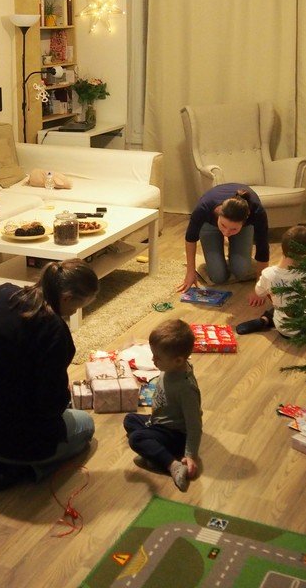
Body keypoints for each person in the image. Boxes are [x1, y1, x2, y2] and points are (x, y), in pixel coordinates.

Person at [0, 260, 98, 495]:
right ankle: (22, 466)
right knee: (86, 425)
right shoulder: (55, 330)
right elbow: (49, 404)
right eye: (77, 307)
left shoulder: (1, 293)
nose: (75, 312)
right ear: (66, 297)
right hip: (20, 439)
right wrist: (63, 396)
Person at [123, 319, 202, 492]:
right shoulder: (171, 368)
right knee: (130, 419)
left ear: (178, 360)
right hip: (158, 421)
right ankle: (156, 451)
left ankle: (172, 465)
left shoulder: (186, 388)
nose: (153, 359)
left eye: (157, 357)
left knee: (136, 439)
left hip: (176, 434)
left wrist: (190, 455)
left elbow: (194, 426)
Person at [176, 183, 270, 292]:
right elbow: (190, 239)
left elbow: (263, 248)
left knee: (242, 271)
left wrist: (260, 287)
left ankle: (237, 258)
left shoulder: (257, 212)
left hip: (243, 227)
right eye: (223, 225)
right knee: (218, 277)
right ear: (219, 213)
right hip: (209, 225)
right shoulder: (203, 208)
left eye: (233, 229)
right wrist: (190, 272)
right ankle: (226, 259)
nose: (226, 233)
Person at [237, 225, 306, 336]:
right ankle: (267, 319)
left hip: (282, 327)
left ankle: (264, 320)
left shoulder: (268, 274)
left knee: (281, 301)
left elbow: (259, 292)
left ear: (282, 248)